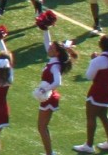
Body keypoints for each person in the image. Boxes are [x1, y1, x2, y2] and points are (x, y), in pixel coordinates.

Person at [33, 20, 77, 155]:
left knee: (42, 127)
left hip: (49, 98)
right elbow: (47, 44)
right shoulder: (54, 60)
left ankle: (50, 153)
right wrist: (45, 30)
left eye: (52, 48)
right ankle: (49, 153)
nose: (49, 48)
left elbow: (58, 82)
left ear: (57, 53)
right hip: (49, 97)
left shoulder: (55, 66)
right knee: (42, 127)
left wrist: (45, 90)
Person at [74, 35, 108, 153]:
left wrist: (92, 60)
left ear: (101, 45)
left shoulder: (98, 60)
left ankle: (89, 145)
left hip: (99, 89)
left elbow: (89, 76)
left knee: (91, 116)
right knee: (103, 115)